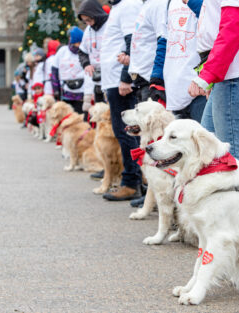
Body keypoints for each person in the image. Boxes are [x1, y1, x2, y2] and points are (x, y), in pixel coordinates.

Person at [185, 0, 239, 173]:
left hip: (237, 73)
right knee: (209, 151)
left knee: (235, 159)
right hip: (235, 73)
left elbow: (233, 28)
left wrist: (207, 76)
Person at [99, 0, 144, 201]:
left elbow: (132, 41)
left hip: (121, 82)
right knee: (123, 132)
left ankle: (131, 181)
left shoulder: (128, 5)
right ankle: (135, 179)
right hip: (113, 81)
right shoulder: (118, 8)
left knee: (127, 134)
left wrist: (126, 77)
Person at [149, 0, 206, 122]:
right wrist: (157, 79)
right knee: (179, 140)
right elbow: (164, 41)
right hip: (175, 89)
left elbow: (213, 21)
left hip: (201, 87)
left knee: (205, 138)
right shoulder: (168, 3)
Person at [128, 0, 167, 103]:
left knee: (150, 118)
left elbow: (163, 38)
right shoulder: (147, 4)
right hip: (141, 78)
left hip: (150, 77)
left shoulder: (159, 4)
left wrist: (156, 77)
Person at [52, 26, 92, 114]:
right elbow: (54, 71)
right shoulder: (62, 51)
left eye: (80, 42)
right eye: (77, 42)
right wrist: (56, 89)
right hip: (66, 92)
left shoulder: (86, 52)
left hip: (82, 91)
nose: (79, 45)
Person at [78, 0, 108, 103]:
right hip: (96, 79)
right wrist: (86, 64)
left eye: (89, 20)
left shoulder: (109, 26)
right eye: (85, 21)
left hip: (111, 77)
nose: (88, 23)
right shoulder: (88, 30)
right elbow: (82, 52)